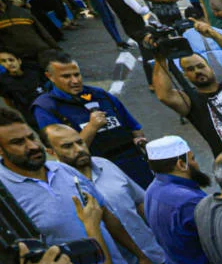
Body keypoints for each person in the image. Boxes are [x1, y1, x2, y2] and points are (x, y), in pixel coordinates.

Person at [0, 107, 158, 264]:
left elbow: (106, 215)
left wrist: (140, 255)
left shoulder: (63, 170)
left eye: (31, 137)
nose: (33, 146)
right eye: (18, 142)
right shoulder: (6, 197)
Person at [43, 124, 176, 264]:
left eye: (80, 142)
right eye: (67, 146)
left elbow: (139, 202)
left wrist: (164, 238)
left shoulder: (105, 164)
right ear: (50, 151)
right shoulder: (59, 189)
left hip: (151, 252)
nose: (79, 150)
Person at [30, 53, 151, 187]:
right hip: (98, 174)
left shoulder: (100, 94)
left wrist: (139, 140)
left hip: (135, 165)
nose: (75, 81)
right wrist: (92, 127)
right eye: (66, 76)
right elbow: (65, 153)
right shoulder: (46, 107)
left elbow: (134, 127)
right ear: (50, 77)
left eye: (77, 74)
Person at [141, 135, 222, 264]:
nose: (196, 164)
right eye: (192, 159)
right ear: (181, 165)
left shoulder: (153, 189)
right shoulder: (189, 201)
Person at [153, 21, 222, 157]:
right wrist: (160, 57)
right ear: (185, 75)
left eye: (201, 66)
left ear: (210, 67)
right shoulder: (190, 102)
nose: (197, 71)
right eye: (190, 69)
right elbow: (164, 95)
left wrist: (213, 34)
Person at [0, 51, 49, 118]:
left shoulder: (34, 70)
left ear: (19, 61)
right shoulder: (3, 82)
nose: (9, 63)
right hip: (32, 114)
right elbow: (8, 101)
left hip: (50, 104)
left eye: (11, 60)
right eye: (4, 61)